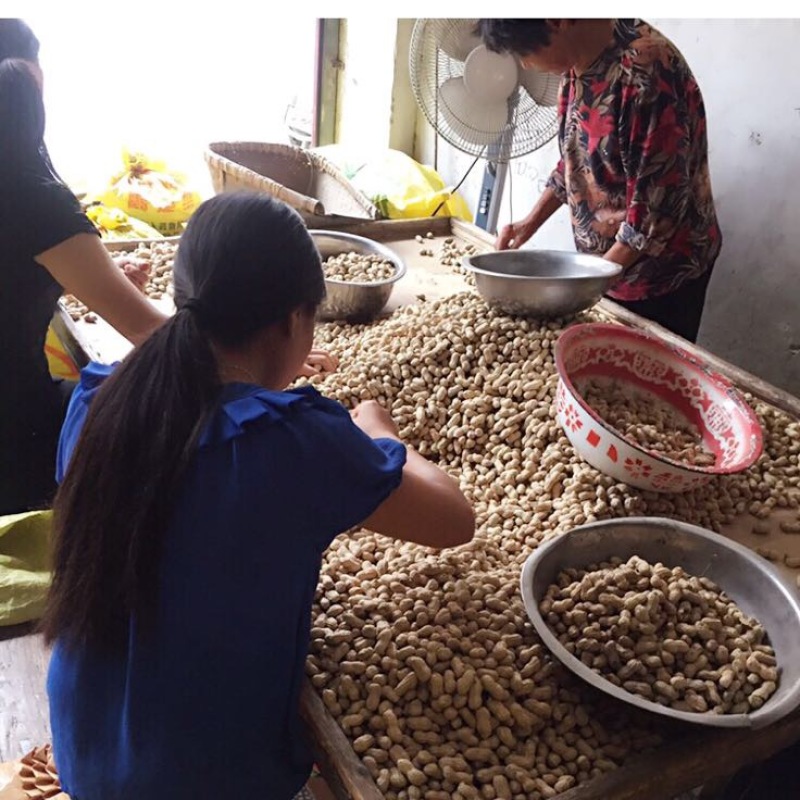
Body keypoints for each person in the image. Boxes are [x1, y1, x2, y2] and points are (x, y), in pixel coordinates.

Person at [41, 192, 475, 800]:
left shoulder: (101, 400)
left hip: (88, 750)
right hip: (197, 780)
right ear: (294, 320)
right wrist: (378, 432)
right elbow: (455, 520)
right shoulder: (291, 438)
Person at [0, 19, 167, 515]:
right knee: (156, 416)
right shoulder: (34, 199)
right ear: (30, 88)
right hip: (13, 445)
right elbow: (154, 333)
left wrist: (82, 278)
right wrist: (268, 345)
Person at [477, 19, 722, 343]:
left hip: (662, 276)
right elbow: (577, 161)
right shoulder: (577, 63)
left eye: (526, 50)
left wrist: (579, 293)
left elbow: (653, 218)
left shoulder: (645, 76)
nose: (525, 64)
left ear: (556, 20)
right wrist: (528, 223)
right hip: (608, 267)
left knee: (640, 380)